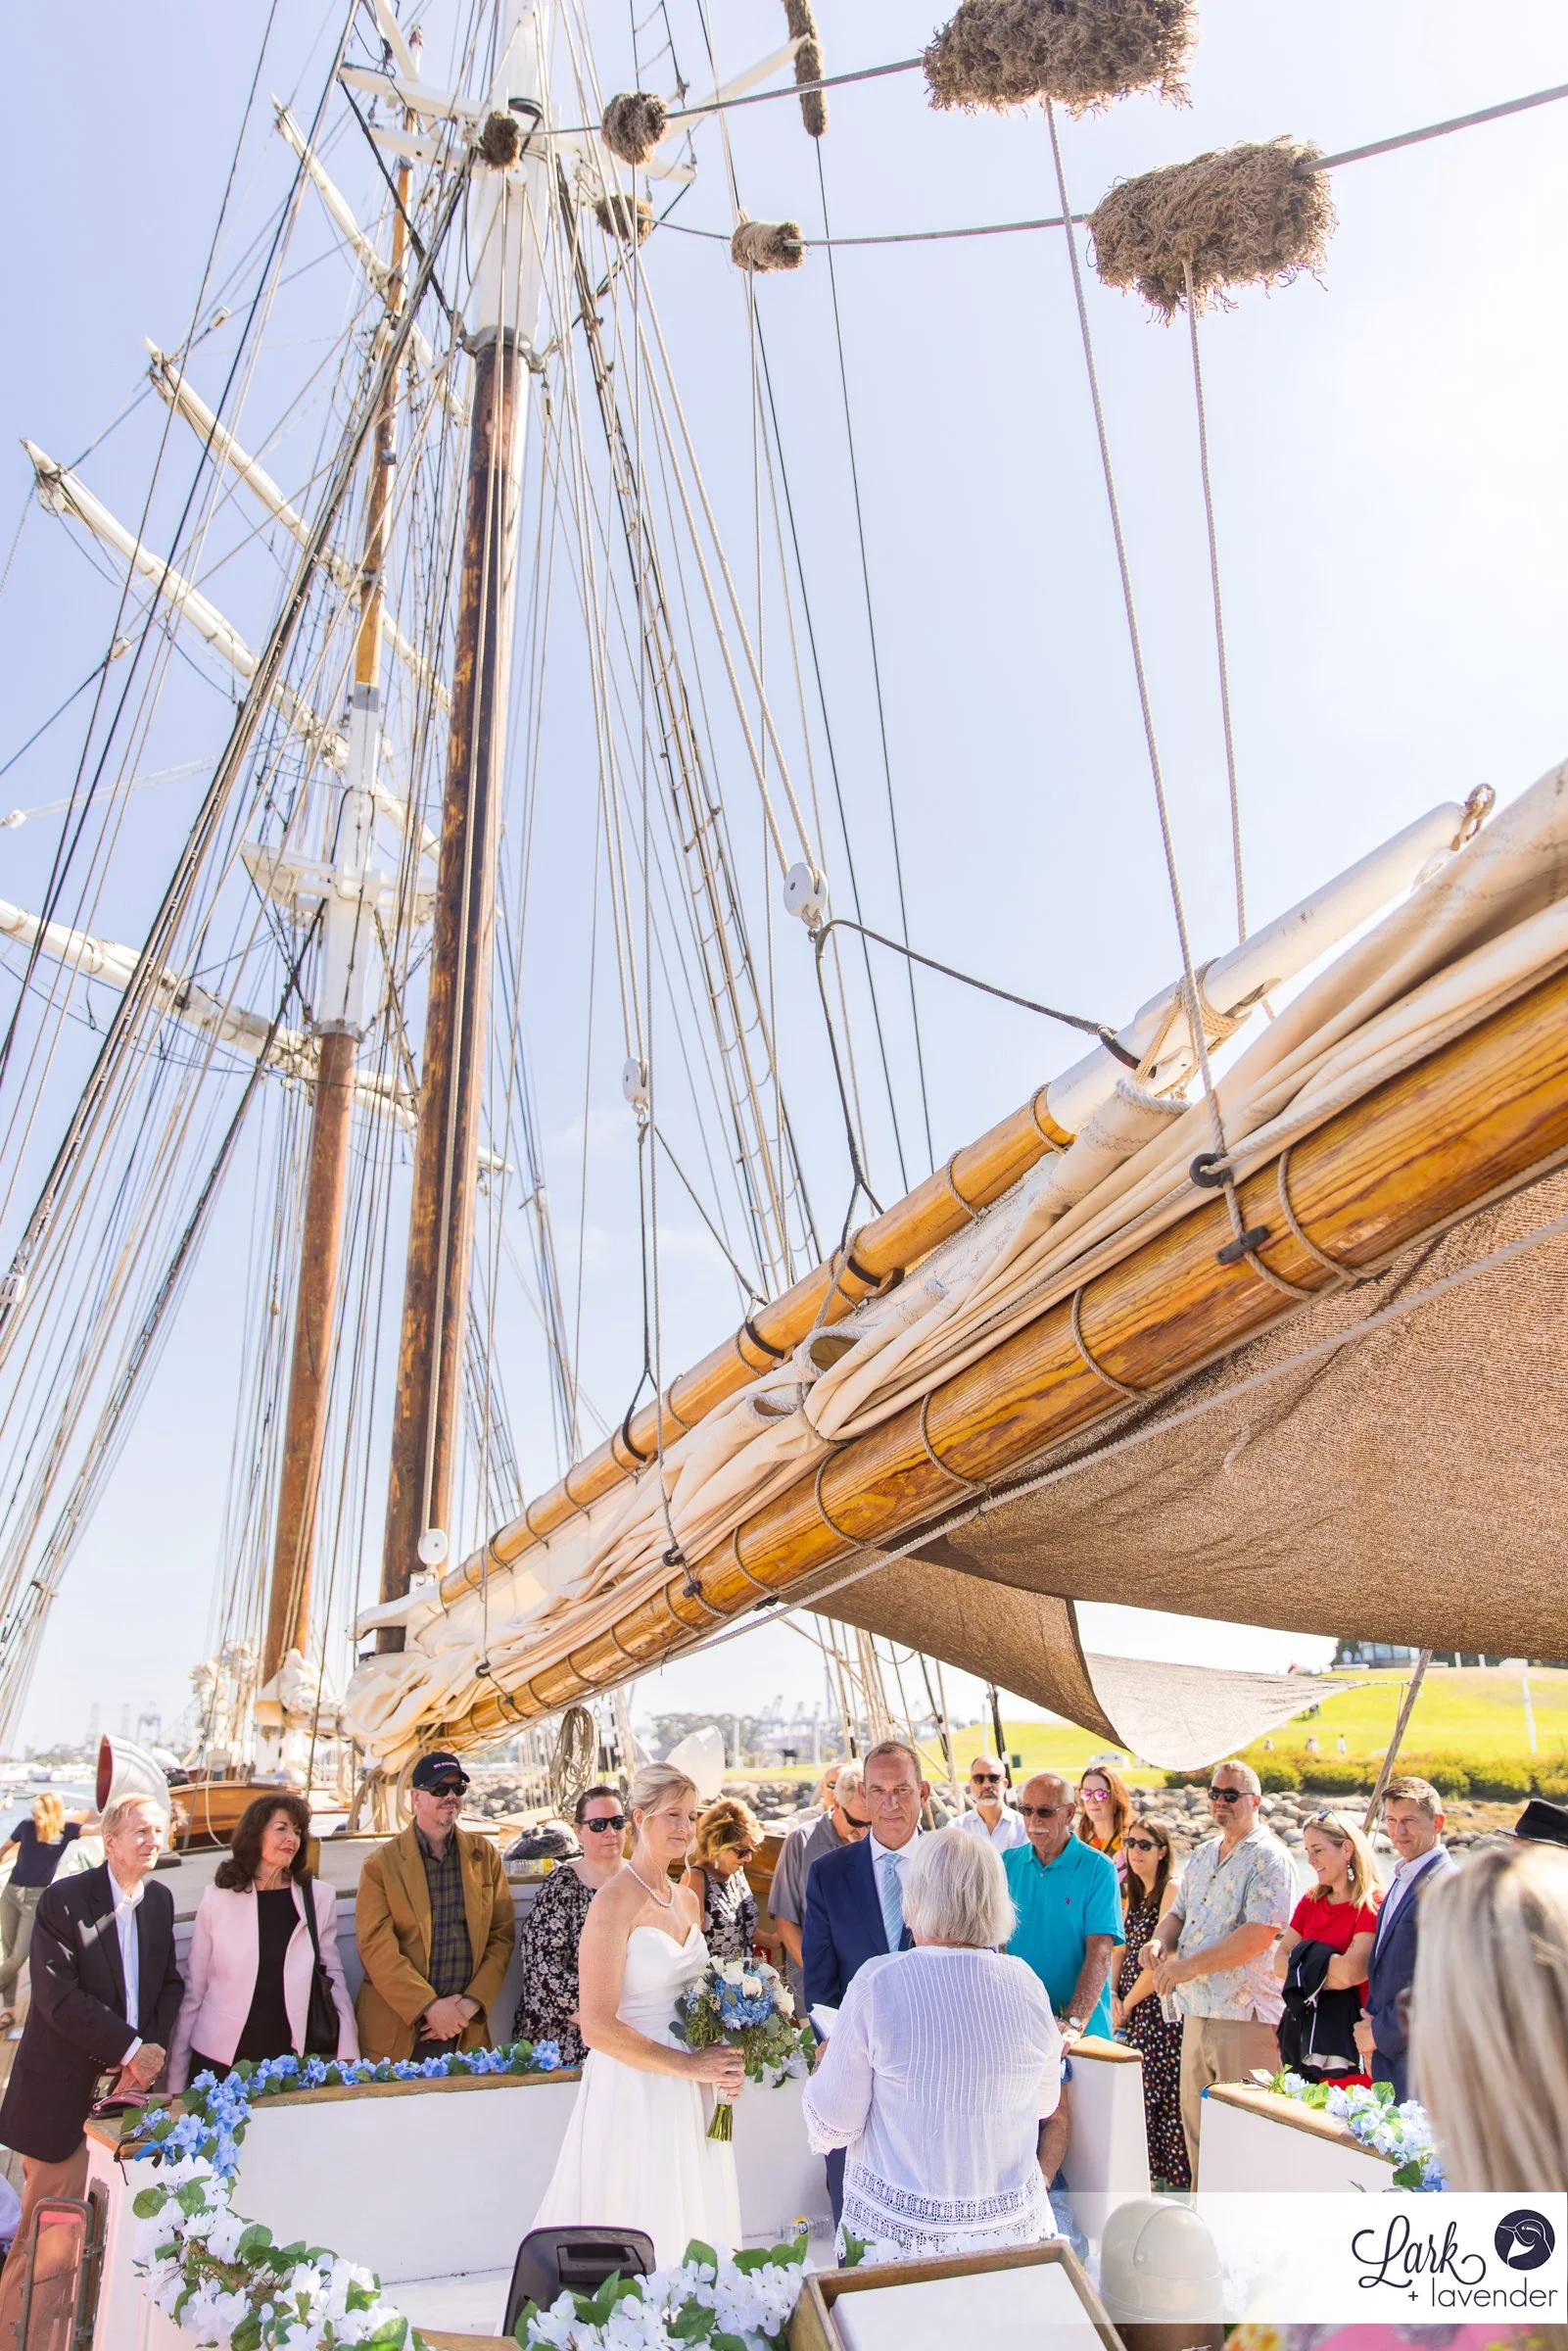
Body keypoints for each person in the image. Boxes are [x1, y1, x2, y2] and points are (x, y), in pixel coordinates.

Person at [803, 1827, 1063, 2258]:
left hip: (900, 2243)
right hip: (1008, 2239)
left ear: (916, 1898)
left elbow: (833, 2122)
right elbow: (1042, 2104)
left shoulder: (878, 1980)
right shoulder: (1027, 1983)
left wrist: (825, 2063)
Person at [531, 1764, 744, 2263]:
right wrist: (689, 2066)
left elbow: (701, 2004)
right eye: (672, 1814)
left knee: (692, 2218)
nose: (684, 1828)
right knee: (640, 2214)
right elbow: (599, 2027)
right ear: (640, 1817)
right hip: (634, 2087)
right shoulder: (612, 1902)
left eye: (691, 1816)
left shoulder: (689, 1901)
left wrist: (726, 2061)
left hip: (693, 2092)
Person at [0, 1794, 181, 2351]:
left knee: (100, 2244)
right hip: (60, 2101)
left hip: (123, 2100)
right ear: (110, 1841)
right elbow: (57, 1999)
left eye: (159, 1831)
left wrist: (147, 2054)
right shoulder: (63, 1899)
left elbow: (168, 1984)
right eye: (142, 1832)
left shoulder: (158, 1901)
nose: (153, 1841)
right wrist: (133, 2049)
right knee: (46, 2243)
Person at [1147, 1758, 1295, 2178]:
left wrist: (1188, 1967)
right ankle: (1206, 2228)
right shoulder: (1203, 1854)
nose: (1220, 1803)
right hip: (1197, 2012)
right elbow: (1177, 1913)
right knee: (1199, 2134)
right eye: (1214, 1794)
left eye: (1231, 1795)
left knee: (1249, 2138)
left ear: (1256, 1801)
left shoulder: (1271, 1857)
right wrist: (1160, 1941)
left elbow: (1260, 1934)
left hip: (1245, 2018)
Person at [804, 1740, 928, 2223]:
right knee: (855, 2222)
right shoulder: (827, 1875)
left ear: (924, 1792)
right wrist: (842, 2052)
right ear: (863, 1796)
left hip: (931, 2079)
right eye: (878, 1791)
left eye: (902, 1790)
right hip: (855, 2074)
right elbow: (819, 1986)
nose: (890, 1803)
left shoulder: (955, 1864)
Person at [167, 1793, 356, 2088]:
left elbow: (333, 1975)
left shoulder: (317, 1896)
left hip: (288, 2057)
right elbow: (195, 1991)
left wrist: (349, 2050)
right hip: (218, 2058)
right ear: (255, 1833)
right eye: (281, 1828)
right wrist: (175, 2081)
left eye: (297, 1831)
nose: (292, 1838)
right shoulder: (217, 1899)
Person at [355, 1750, 514, 2061]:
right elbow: (376, 1947)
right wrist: (429, 2007)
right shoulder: (381, 1864)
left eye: (458, 1789)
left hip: (464, 2028)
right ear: (416, 1798)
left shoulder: (484, 1856)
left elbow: (501, 1937)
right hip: (401, 2029)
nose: (451, 1796)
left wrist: (469, 2005)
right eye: (440, 1789)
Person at [1354, 1774, 1453, 2101]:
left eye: (1409, 1821)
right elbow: (1384, 1968)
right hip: (1389, 2057)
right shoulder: (1402, 1876)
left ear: (1437, 1822)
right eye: (1392, 1820)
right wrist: (1370, 2032)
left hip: (1424, 2059)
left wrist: (1379, 2034)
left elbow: (1441, 1984)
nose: (1398, 1832)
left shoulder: (1445, 1885)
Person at [512, 1784, 627, 2067]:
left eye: (617, 1823)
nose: (610, 1832)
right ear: (578, 1830)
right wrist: (604, 2018)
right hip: (573, 2031)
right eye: (598, 1825)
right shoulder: (561, 1886)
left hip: (637, 2023)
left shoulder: (643, 1882)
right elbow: (542, 1969)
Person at [1004, 1773, 1119, 2040]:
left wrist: (1073, 2021)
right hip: (1020, 2030)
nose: (1034, 1821)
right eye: (1027, 1810)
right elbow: (995, 1945)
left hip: (1082, 2032)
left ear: (1069, 1814)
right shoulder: (1005, 1863)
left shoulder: (1098, 1868)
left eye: (1044, 1811)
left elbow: (1100, 1951)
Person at [1272, 1811, 1380, 2087]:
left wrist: (1302, 1964)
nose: (1311, 1860)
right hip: (1301, 2040)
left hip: (1348, 2046)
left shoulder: (1372, 1902)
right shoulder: (1310, 1901)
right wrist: (1323, 1967)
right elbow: (1279, 1963)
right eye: (1308, 1851)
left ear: (1346, 1849)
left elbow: (1351, 1973)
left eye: (1318, 1850)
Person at [1110, 1814, 1188, 2189]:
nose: (1136, 1852)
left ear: (1162, 1851)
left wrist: (1127, 2001)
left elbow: (1162, 1958)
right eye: (1131, 1843)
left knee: (1163, 2099)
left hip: (1158, 2014)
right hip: (1133, 2014)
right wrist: (1112, 1995)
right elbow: (1120, 1951)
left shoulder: (1171, 1889)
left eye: (1145, 1845)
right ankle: (1148, 2181)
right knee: (1140, 2097)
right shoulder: (1133, 1894)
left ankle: (1173, 2186)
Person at [768, 1764, 867, 2009]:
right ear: (835, 1803)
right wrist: (821, 1974)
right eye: (855, 1821)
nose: (863, 1831)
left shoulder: (877, 1846)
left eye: (871, 1823)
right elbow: (785, 1919)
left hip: (868, 1992)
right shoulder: (800, 1841)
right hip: (815, 1992)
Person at [0, 1795, 83, 2027]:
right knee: (9, 1952)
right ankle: (8, 2010)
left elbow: (99, 1829)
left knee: (20, 1954)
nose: (35, 1817)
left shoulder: (67, 1830)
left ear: (51, 1813)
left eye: (39, 1813)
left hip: (36, 1899)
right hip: (11, 1893)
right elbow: (4, 1849)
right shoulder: (26, 1826)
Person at [683, 1797, 762, 1961]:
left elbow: (742, 1928)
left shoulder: (736, 1871)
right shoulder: (696, 1879)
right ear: (717, 1844)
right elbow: (688, 1946)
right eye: (742, 1851)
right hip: (713, 1983)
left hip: (746, 1980)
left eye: (751, 1851)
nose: (748, 1858)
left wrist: (778, 1939)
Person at [959, 1751, 1027, 1851]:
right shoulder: (957, 1828)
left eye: (993, 1778)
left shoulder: (1023, 1827)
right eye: (979, 1778)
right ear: (971, 1784)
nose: (986, 1785)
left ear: (1005, 1783)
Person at [1075, 1766, 1132, 1874]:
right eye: (1086, 1793)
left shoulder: (1131, 1840)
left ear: (1115, 1796)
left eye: (1100, 1794)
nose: (1092, 1801)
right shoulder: (1079, 1837)